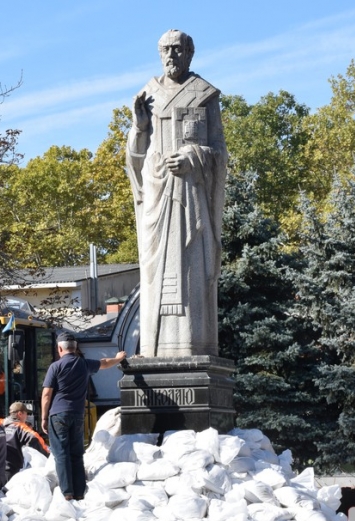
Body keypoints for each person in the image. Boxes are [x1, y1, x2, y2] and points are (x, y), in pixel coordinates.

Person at [126, 29, 228, 358]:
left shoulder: (204, 94)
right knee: (155, 272)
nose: (171, 56)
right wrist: (139, 127)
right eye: (165, 50)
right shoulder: (148, 94)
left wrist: (191, 157)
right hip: (156, 194)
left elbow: (219, 155)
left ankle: (191, 343)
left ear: (189, 54)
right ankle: (156, 351)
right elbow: (135, 158)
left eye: (177, 50)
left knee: (190, 275)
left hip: (191, 197)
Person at [41, 333, 126, 500]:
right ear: (75, 347)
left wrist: (44, 417)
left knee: (61, 454)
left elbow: (46, 395)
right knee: (77, 453)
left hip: (58, 415)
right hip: (78, 415)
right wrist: (118, 358)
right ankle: (80, 492)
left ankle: (67, 492)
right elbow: (105, 363)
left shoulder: (55, 367)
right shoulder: (84, 364)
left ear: (60, 348)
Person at [3, 402, 49, 481]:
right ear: (20, 414)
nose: (27, 416)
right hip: (12, 469)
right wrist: (48, 455)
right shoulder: (20, 427)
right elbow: (34, 439)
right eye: (26, 414)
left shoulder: (0, 424)